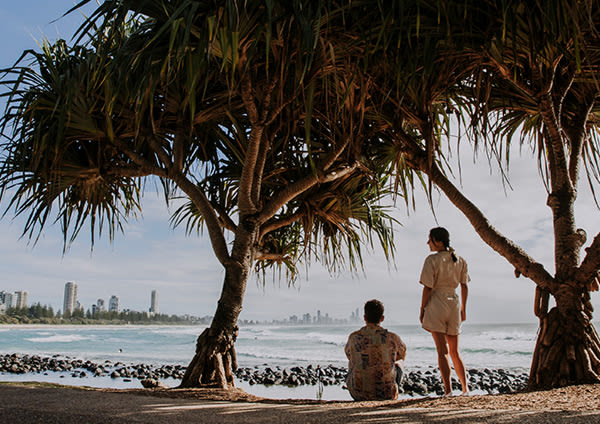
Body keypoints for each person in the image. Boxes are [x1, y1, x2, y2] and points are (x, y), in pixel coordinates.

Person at [419, 227, 470, 396]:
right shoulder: (459, 260)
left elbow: (428, 288)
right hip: (453, 303)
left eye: (430, 240)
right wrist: (463, 309)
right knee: (455, 351)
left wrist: (422, 309)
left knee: (442, 351)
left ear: (438, 241)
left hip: (437, 304)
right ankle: (465, 388)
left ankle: (448, 390)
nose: (428, 243)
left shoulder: (431, 260)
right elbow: (464, 286)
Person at [345, 299, 406, 401]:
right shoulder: (392, 338)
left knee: (353, 361)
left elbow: (349, 355)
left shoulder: (354, 337)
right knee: (400, 363)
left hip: (358, 394)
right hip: (387, 394)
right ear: (382, 318)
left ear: (364, 318)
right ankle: (396, 388)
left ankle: (361, 384)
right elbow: (401, 355)